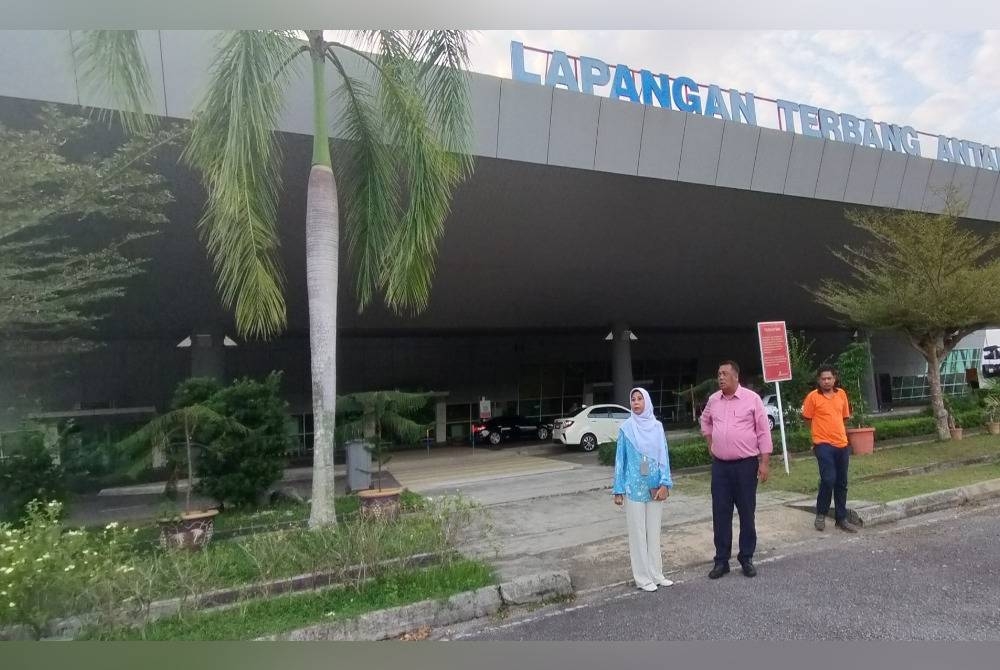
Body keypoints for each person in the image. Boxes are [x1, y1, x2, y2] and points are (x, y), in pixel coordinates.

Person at [699, 360, 772, 579]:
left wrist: (765, 462)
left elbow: (763, 432)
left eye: (724, 374)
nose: (720, 377)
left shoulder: (752, 399)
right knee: (720, 513)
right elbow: (705, 422)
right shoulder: (713, 400)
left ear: (735, 377)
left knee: (747, 512)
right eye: (718, 374)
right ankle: (721, 560)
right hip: (721, 467)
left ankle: (746, 557)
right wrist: (710, 443)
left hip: (746, 465)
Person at [612, 387, 674, 592]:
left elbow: (664, 456)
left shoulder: (657, 427)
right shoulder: (626, 429)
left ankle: (656, 574)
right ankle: (642, 578)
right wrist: (618, 489)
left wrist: (666, 483)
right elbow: (620, 460)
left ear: (647, 401)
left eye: (640, 399)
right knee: (638, 534)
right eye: (633, 399)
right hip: (634, 489)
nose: (636, 402)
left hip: (655, 488)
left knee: (654, 532)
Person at [802, 365, 859, 533]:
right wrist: (818, 435)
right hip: (822, 444)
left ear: (834, 379)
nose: (826, 381)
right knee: (828, 479)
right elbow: (807, 419)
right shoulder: (812, 397)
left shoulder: (841, 394)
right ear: (818, 380)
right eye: (823, 378)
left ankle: (841, 519)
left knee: (842, 482)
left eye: (829, 378)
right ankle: (821, 513)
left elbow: (844, 418)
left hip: (841, 444)